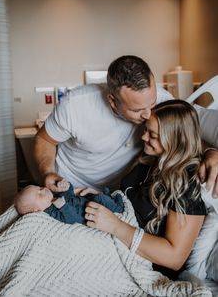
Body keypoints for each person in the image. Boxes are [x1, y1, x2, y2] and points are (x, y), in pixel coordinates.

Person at [34, 55, 218, 195]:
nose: (148, 115)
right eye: (137, 110)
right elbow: (45, 139)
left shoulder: (162, 101)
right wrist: (47, 173)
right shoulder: (75, 105)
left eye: (152, 104)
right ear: (113, 101)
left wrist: (210, 152)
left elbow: (183, 133)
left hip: (119, 193)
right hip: (71, 184)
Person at [84, 99, 207, 280]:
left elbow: (174, 258)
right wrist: (104, 201)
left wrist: (115, 225)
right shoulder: (150, 160)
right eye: (146, 130)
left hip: (144, 266)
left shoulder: (187, 183)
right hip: (113, 243)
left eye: (153, 135)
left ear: (175, 139)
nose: (143, 137)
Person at [14, 180, 124, 224]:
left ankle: (111, 197)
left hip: (85, 200)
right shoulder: (51, 212)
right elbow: (72, 219)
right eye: (39, 195)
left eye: (39, 188)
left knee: (97, 196)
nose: (43, 189)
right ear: (37, 210)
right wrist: (63, 206)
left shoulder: (53, 199)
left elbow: (69, 195)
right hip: (89, 212)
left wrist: (66, 187)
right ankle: (119, 208)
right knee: (100, 198)